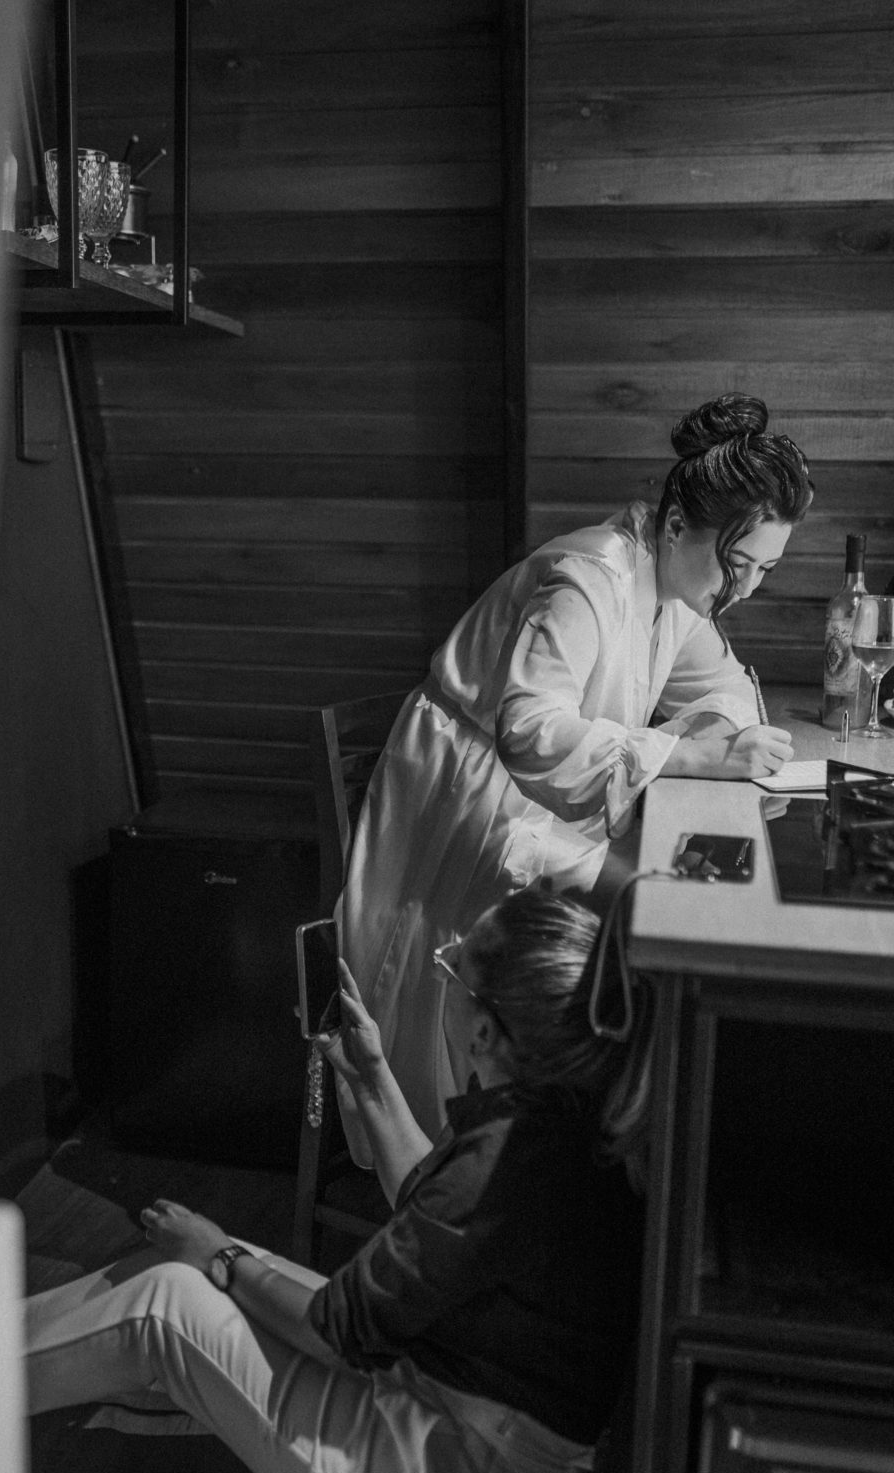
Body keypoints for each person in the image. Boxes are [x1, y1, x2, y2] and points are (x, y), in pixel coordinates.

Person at [24, 889, 649, 1473]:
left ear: (484, 1031)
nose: (442, 974)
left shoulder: (499, 1167)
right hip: (477, 1458)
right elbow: (437, 1223)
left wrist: (221, 1256)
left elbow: (335, 1331)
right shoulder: (561, 1121)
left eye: (451, 967)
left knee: (169, 1302)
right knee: (183, 1268)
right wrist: (371, 1076)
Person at [341, 391, 813, 1142]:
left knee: (661, 892)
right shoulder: (589, 578)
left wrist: (726, 734)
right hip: (475, 789)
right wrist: (690, 753)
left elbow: (724, 686)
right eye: (737, 563)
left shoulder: (676, 592)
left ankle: (574, 1115)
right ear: (677, 525)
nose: (746, 588)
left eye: (765, 568)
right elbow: (529, 732)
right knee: (646, 903)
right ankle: (498, 1136)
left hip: (541, 794)